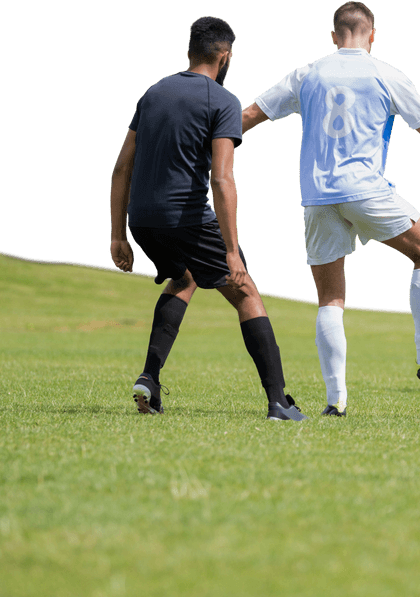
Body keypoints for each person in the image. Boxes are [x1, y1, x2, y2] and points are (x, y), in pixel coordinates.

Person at [241, 1, 420, 417]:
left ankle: (335, 403)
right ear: (372, 34)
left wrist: (207, 138)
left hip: (317, 196)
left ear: (334, 34)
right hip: (364, 191)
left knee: (330, 299)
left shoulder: (307, 74)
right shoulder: (385, 73)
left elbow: (249, 115)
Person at [109, 16, 306, 421]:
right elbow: (222, 178)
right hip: (188, 217)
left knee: (184, 277)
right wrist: (232, 252)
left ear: (190, 51)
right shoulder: (223, 101)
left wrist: (117, 236)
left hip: (142, 219)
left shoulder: (153, 93)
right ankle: (277, 401)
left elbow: (120, 169)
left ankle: (149, 378)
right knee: (246, 291)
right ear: (225, 55)